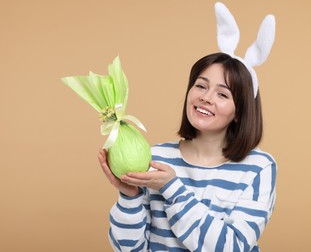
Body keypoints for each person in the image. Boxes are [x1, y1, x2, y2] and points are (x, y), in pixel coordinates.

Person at [98, 52, 277, 251]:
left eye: (223, 94)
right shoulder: (156, 158)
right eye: (201, 85)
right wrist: (129, 197)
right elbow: (130, 249)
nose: (206, 97)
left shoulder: (258, 168)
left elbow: (233, 247)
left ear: (239, 112)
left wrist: (171, 188)